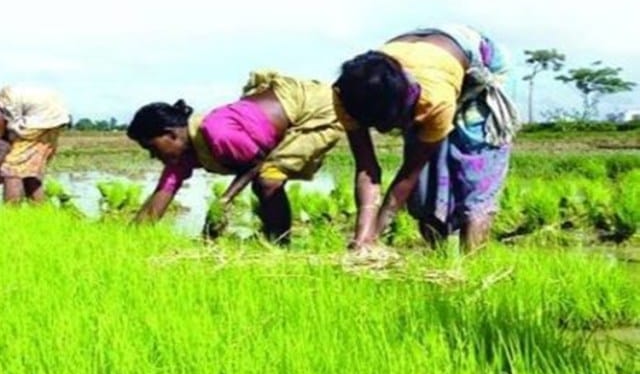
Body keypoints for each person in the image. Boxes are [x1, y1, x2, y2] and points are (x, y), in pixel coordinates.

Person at [333, 24, 520, 253]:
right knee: (426, 195)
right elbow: (367, 169)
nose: (382, 132)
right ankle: (439, 259)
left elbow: (409, 173)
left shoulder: (432, 100)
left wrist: (375, 234)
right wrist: (363, 238)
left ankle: (470, 270)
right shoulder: (347, 95)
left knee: (475, 184)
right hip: (421, 63)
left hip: (475, 66)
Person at [127, 71, 343, 244]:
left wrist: (223, 201)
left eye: (151, 147)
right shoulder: (181, 156)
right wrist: (130, 240)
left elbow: (257, 162)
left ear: (171, 134)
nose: (152, 155)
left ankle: (279, 245)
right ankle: (272, 240)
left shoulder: (216, 132)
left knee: (268, 180)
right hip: (285, 118)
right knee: (264, 182)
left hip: (315, 108)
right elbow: (161, 196)